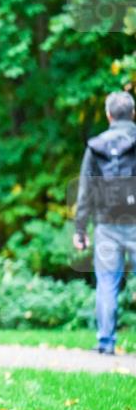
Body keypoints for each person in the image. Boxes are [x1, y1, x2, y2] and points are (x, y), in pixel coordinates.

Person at [74, 90, 136, 356]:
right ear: (133, 114)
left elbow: (85, 191)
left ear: (109, 115)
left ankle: (106, 342)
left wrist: (80, 229)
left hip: (106, 224)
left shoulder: (96, 147)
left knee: (107, 282)